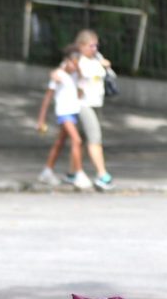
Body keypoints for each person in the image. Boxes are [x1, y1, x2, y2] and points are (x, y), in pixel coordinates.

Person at [35, 46, 92, 190]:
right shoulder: (58, 76)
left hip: (73, 112)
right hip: (63, 113)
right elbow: (47, 98)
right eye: (73, 62)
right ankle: (79, 174)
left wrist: (78, 72)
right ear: (66, 61)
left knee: (59, 143)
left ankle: (47, 171)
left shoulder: (75, 76)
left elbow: (81, 91)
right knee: (77, 140)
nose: (75, 65)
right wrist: (41, 120)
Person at [73, 29, 115, 191]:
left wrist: (103, 65)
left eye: (96, 46)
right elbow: (83, 73)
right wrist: (99, 64)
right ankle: (102, 174)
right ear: (82, 46)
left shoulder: (96, 59)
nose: (94, 49)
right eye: (91, 46)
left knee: (80, 140)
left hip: (96, 103)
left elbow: (109, 75)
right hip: (84, 104)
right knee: (95, 138)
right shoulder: (79, 60)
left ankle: (73, 172)